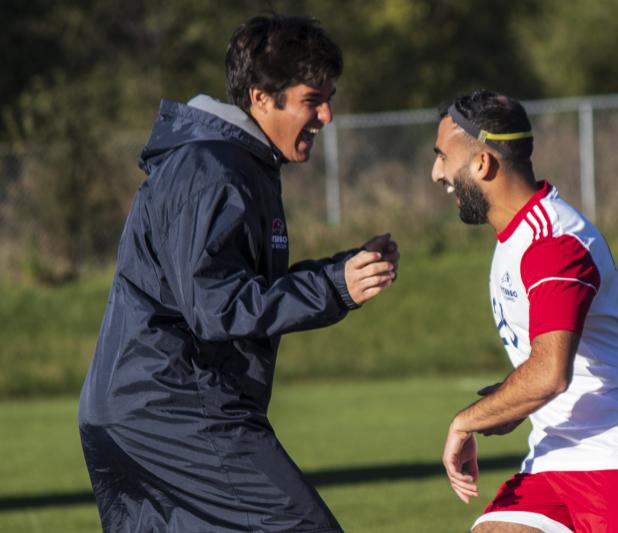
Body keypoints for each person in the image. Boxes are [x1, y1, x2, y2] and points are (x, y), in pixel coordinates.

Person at [78, 15, 398, 533]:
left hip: (143, 407)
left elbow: (231, 288)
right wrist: (334, 288)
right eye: (313, 100)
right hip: (175, 409)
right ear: (260, 97)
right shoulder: (212, 169)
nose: (328, 116)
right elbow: (216, 306)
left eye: (329, 98)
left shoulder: (235, 164)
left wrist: (341, 272)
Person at [432, 90, 618, 533]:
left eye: (442, 158)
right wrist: (508, 401)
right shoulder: (517, 235)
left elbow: (549, 374)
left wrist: (465, 422)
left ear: (483, 164)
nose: (437, 174)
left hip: (616, 454)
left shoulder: (552, 244)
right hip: (555, 454)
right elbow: (545, 365)